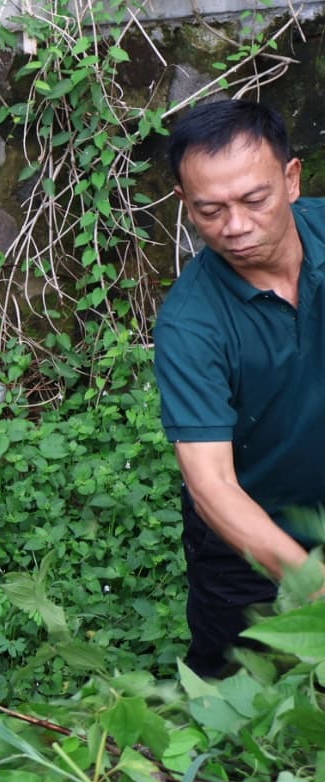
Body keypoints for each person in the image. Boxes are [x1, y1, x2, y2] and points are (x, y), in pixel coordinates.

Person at [154, 98, 325, 678]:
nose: (236, 226)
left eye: (255, 200)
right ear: (185, 204)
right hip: (246, 537)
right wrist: (312, 585)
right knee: (236, 697)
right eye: (210, 210)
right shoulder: (191, 324)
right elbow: (214, 487)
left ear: (292, 179)